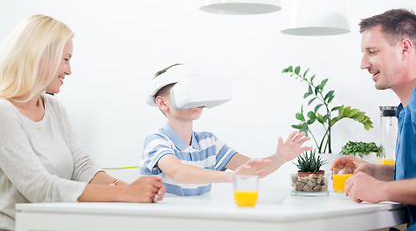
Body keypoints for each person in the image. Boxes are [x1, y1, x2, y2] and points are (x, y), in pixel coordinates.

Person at [0, 14, 166, 231]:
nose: (69, 70)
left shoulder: (54, 107)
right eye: (66, 59)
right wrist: (126, 193)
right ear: (40, 56)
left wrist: (131, 187)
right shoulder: (4, 111)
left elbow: (82, 167)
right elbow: (40, 188)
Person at [140, 63, 312, 196]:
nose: (195, 98)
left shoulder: (209, 142)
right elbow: (178, 172)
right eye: (186, 92)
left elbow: (251, 170)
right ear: (163, 103)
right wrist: (231, 177)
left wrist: (280, 158)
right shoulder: (156, 141)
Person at [331, 9, 416, 230]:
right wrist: (375, 171)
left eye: (372, 51)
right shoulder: (406, 109)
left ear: (405, 48)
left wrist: (379, 190)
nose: (363, 63)